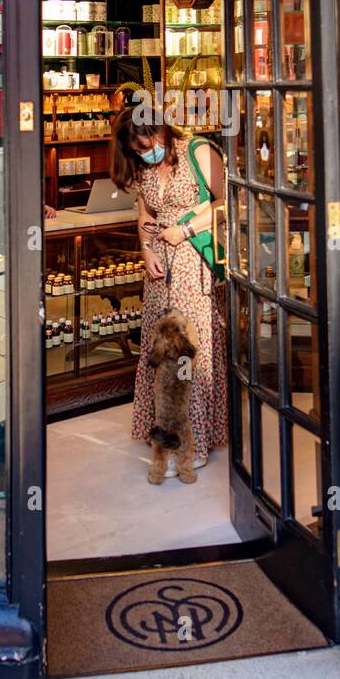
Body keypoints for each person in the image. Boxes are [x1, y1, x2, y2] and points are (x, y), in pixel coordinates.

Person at [111, 105, 227, 470]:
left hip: (194, 261)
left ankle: (196, 441)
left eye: (148, 145)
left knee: (191, 350)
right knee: (161, 352)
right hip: (161, 268)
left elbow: (228, 200)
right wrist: (146, 252)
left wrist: (187, 230)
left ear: (161, 132)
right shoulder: (145, 168)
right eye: (138, 151)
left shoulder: (198, 151)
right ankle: (164, 434)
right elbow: (145, 214)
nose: (146, 154)